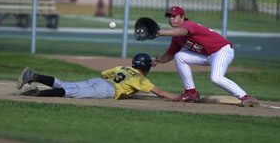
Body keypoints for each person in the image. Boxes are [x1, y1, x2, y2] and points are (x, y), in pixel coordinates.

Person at [152, 6, 259, 107]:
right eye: (169, 17)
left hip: (222, 50)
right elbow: (170, 55)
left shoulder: (188, 25)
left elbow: (182, 31)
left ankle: (245, 97)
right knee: (180, 56)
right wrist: (159, 60)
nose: (171, 19)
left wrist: (161, 33)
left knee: (216, 78)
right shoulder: (176, 38)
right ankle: (191, 92)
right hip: (208, 55)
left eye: (174, 16)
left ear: (182, 17)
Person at [16, 53, 178, 101]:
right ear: (146, 68)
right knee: (69, 92)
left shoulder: (123, 67)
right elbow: (160, 92)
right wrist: (178, 98)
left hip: (99, 81)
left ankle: (34, 75)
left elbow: (103, 74)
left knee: (65, 85)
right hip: (106, 90)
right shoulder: (141, 79)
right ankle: (38, 93)